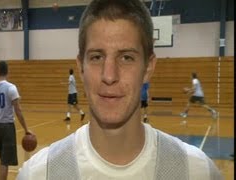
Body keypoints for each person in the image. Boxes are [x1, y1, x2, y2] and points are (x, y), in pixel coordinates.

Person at [16, 0, 222, 179]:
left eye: (126, 58)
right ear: (80, 67)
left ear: (148, 67)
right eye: (97, 57)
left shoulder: (198, 171)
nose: (109, 76)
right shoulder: (39, 174)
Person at [0, 60, 34, 180]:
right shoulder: (11, 88)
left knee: (2, 160)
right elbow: (18, 110)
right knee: (5, 161)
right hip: (7, 127)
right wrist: (26, 129)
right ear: (7, 71)